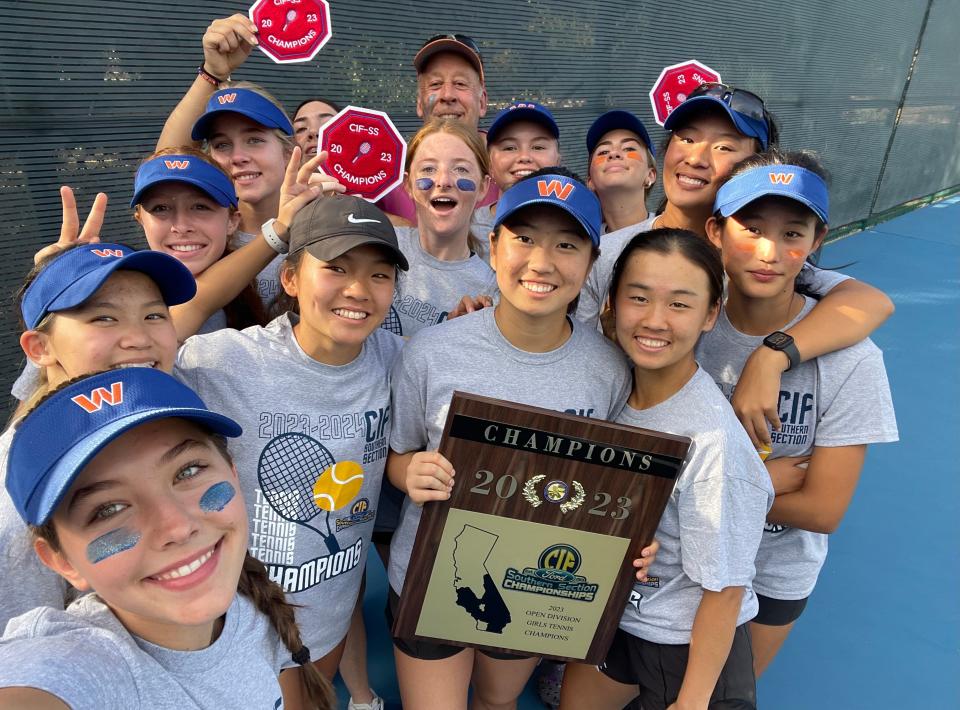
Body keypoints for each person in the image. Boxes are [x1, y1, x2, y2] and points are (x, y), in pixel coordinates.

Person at [385, 168, 656, 709]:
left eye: (566, 243)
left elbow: (616, 487)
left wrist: (635, 538)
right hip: (430, 569)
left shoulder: (609, 369)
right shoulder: (432, 351)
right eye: (524, 237)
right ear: (493, 246)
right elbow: (398, 455)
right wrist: (409, 472)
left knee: (497, 701)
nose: (541, 261)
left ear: (590, 261)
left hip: (537, 582)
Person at [174, 194, 407, 702]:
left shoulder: (396, 358)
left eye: (380, 275)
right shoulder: (230, 359)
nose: (358, 290)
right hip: (233, 618)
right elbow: (152, 339)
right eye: (336, 268)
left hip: (330, 607)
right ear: (291, 278)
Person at [577, 84, 894, 452]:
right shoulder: (607, 254)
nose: (696, 158)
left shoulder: (760, 265)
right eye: (687, 138)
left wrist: (770, 356)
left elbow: (869, 302)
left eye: (724, 146)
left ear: (753, 165)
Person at [0, 368, 333, 709]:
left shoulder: (253, 606)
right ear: (62, 561)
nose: (176, 527)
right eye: (108, 509)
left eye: (188, 471)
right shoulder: (78, 666)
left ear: (232, 473)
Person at [699, 150, 898, 675]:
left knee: (722, 693)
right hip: (674, 554)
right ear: (716, 231)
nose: (768, 250)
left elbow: (822, 509)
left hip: (772, 568)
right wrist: (768, 483)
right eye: (751, 227)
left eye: (792, 233)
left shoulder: (852, 359)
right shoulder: (682, 323)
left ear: (816, 242)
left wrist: (703, 486)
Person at [561, 228, 773, 710]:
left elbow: (725, 589)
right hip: (619, 613)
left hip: (686, 641)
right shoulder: (609, 388)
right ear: (612, 303)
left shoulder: (712, 442)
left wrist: (694, 701)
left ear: (710, 313)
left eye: (679, 304)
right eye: (639, 297)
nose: (655, 320)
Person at [155, 14, 298, 309]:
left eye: (254, 139)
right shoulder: (199, 236)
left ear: (287, 152)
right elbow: (166, 162)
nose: (238, 156)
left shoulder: (320, 225)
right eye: (221, 144)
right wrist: (211, 73)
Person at [132, 147, 266, 333]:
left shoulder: (255, 292)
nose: (181, 226)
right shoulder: (120, 298)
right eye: (160, 208)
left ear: (232, 221)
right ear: (141, 220)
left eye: (200, 207)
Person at [385, 118, 497, 337]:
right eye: (428, 168)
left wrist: (456, 338)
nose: (443, 181)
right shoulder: (380, 246)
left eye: (461, 169)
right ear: (408, 185)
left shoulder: (492, 289)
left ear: (483, 187)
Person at [378, 33, 499, 224]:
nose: (447, 95)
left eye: (460, 83)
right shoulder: (384, 176)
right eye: (435, 84)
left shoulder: (510, 169)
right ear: (419, 103)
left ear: (482, 101)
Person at [471, 101, 562, 249]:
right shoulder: (468, 229)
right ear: (490, 164)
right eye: (510, 148)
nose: (524, 157)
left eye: (538, 147)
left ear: (558, 160)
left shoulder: (578, 223)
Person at [585, 109, 658, 232]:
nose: (613, 153)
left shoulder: (670, 231)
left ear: (650, 175)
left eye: (629, 148)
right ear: (590, 182)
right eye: (603, 151)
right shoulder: (582, 244)